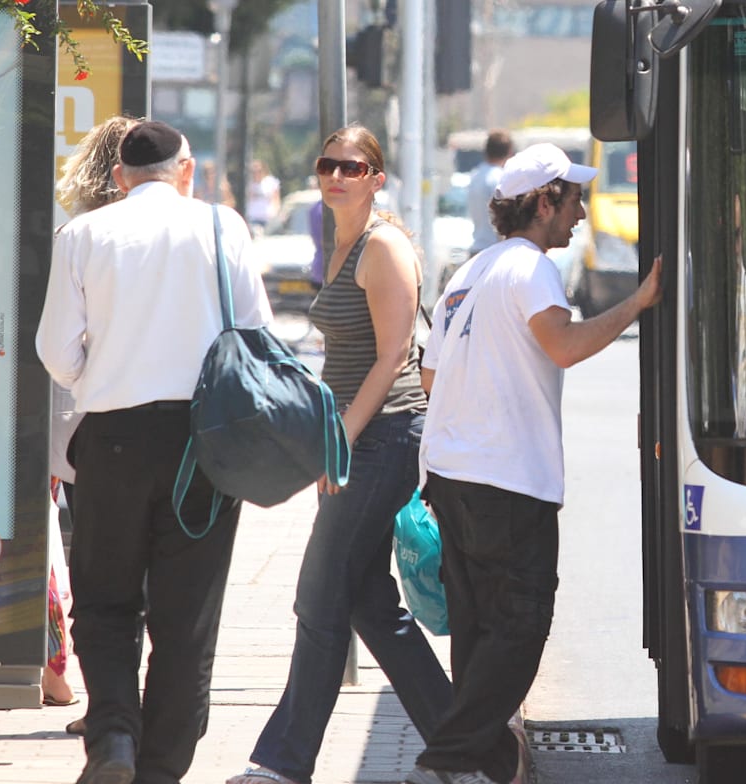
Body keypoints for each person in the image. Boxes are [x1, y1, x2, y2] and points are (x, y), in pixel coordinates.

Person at [406, 144, 663, 784]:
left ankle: (489, 762)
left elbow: (433, 375)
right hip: (507, 479)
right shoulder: (530, 269)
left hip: (451, 474)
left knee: (478, 626)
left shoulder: (470, 273)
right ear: (543, 201)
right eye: (572, 197)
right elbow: (565, 345)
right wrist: (638, 303)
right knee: (522, 623)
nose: (579, 212)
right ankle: (448, 758)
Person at [37, 120, 270, 784]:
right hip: (204, 447)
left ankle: (112, 737)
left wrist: (101, 378)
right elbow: (255, 336)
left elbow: (56, 352)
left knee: (107, 602)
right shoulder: (224, 228)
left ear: (119, 177)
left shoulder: (84, 235)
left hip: (110, 441)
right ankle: (162, 769)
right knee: (186, 616)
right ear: (187, 170)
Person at [227, 124, 453, 784]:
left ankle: (283, 763)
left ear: (376, 179)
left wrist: (339, 441)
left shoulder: (382, 248)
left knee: (320, 597)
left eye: (351, 167)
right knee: (367, 607)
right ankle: (469, 744)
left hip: (384, 437)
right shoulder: (342, 242)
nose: (335, 176)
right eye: (328, 164)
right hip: (367, 435)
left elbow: (392, 357)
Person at [47, 112, 138, 727]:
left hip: (86, 430)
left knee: (101, 577)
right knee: (154, 574)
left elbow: (59, 348)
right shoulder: (182, 235)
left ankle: (110, 707)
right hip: (165, 426)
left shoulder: (79, 235)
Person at [468, 130, 514, 256]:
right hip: (494, 250)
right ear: (509, 152)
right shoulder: (499, 178)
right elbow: (504, 218)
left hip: (477, 247)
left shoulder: (475, 175)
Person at [246, 159, 282, 230]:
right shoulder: (248, 184)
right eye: (253, 171)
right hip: (253, 217)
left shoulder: (271, 182)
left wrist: (276, 212)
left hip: (268, 217)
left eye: (259, 171)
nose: (256, 173)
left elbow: (276, 199)